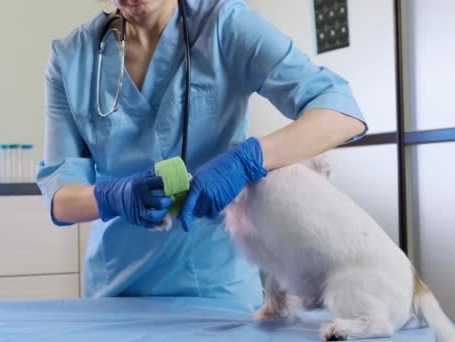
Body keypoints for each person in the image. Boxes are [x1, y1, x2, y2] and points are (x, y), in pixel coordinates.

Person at [37, 0, 367, 309]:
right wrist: (112, 197)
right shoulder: (71, 57)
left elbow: (340, 111)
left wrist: (247, 161)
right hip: (115, 293)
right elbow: (61, 197)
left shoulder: (224, 26)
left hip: (218, 293)